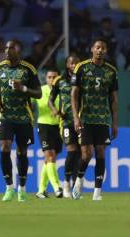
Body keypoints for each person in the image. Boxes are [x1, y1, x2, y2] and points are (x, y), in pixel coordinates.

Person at [0, 40, 42, 202]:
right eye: (6, 47)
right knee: (4, 146)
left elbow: (39, 94)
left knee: (22, 152)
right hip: (6, 116)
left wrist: (24, 89)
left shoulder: (28, 69)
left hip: (24, 117)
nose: (7, 50)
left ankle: (22, 189)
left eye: (11, 47)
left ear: (19, 50)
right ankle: (9, 187)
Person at [71, 38, 118, 201]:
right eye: (97, 47)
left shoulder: (111, 71)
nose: (100, 50)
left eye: (103, 48)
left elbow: (113, 98)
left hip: (103, 119)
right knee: (86, 154)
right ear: (92, 49)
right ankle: (79, 180)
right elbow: (74, 95)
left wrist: (114, 122)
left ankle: (97, 192)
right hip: (85, 118)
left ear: (106, 51)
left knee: (100, 152)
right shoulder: (81, 67)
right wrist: (76, 117)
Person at [49, 55, 81, 198]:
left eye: (76, 63)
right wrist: (55, 110)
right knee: (72, 152)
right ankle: (66, 183)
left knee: (81, 154)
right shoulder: (59, 81)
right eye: (71, 63)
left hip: (81, 121)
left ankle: (76, 186)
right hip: (66, 121)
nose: (74, 65)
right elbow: (50, 100)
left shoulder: (84, 80)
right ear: (67, 65)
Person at [34, 67, 63, 199]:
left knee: (50, 159)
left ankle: (41, 190)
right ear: (46, 79)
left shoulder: (62, 91)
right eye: (49, 77)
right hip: (44, 125)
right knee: (50, 157)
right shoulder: (41, 90)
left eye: (54, 77)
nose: (52, 79)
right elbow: (35, 103)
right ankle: (57, 188)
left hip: (58, 126)